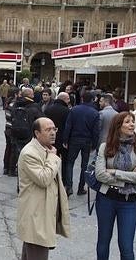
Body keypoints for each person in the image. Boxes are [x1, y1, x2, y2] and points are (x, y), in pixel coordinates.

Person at [95, 112, 136, 260]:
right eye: (127, 122)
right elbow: (100, 174)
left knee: (126, 246)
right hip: (106, 199)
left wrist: (114, 172)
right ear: (118, 126)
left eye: (133, 121)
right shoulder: (105, 147)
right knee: (103, 241)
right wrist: (127, 178)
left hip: (129, 201)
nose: (132, 124)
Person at [17, 117, 70, 260]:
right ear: (37, 133)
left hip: (43, 211)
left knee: (31, 253)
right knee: (37, 251)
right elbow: (43, 179)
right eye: (48, 130)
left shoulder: (47, 149)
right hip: (36, 214)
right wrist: (53, 158)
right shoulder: (30, 153)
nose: (53, 133)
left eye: (54, 129)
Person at [63, 91, 100, 196]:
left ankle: (69, 186)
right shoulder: (95, 113)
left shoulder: (74, 110)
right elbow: (96, 131)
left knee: (70, 163)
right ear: (92, 100)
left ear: (82, 98)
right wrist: (94, 144)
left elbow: (68, 125)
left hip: (74, 139)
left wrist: (65, 140)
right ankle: (81, 187)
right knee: (84, 165)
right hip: (87, 141)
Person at [9, 88, 44, 177]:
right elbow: (41, 119)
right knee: (28, 156)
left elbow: (11, 116)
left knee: (16, 152)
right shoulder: (34, 106)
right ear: (31, 95)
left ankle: (12, 170)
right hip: (29, 134)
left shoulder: (15, 104)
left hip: (15, 132)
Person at [44, 92, 70, 167]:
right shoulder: (67, 111)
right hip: (63, 140)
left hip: (50, 139)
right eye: (68, 99)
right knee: (65, 163)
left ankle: (53, 177)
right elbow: (68, 127)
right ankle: (64, 178)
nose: (69, 101)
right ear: (64, 99)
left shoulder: (48, 109)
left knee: (51, 161)